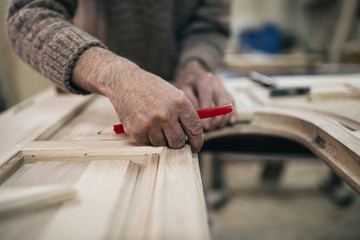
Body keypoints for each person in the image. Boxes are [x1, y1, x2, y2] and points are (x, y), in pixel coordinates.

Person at [6, 0, 235, 153]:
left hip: (176, 101)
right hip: (92, 94)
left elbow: (209, 24)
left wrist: (195, 64)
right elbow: (28, 14)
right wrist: (113, 75)